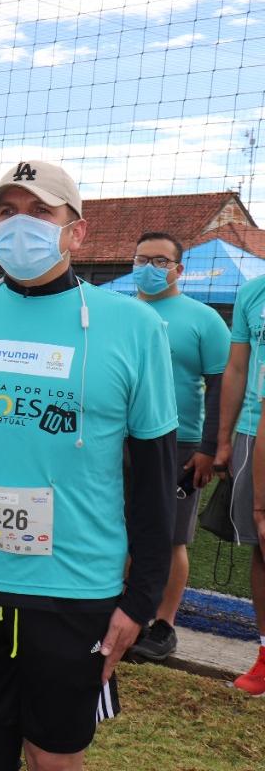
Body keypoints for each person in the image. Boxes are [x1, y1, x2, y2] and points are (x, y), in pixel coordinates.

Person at [0, 161, 177, 771]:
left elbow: (156, 474)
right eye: (6, 212)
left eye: (39, 212)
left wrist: (141, 599)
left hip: (72, 587)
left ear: (76, 232)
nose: (18, 225)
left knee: (54, 753)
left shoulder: (132, 325)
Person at [123, 232, 229, 663]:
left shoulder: (204, 320)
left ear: (179, 269)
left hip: (181, 443)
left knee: (169, 537)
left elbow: (222, 383)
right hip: (120, 439)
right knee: (119, 530)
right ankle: (125, 613)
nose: (150, 267)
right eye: (141, 258)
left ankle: (164, 626)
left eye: (161, 260)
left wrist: (209, 447)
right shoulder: (121, 314)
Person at [215, 250, 265, 695]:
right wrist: (226, 439)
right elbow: (236, 367)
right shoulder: (252, 292)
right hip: (254, 432)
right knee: (262, 546)